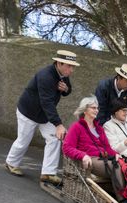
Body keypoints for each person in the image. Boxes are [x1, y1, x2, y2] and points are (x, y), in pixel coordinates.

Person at [5, 49, 79, 185]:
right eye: (69, 66)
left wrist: (66, 90)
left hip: (44, 115)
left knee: (55, 138)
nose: (71, 70)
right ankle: (11, 163)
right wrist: (59, 124)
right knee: (23, 140)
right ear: (59, 63)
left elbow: (67, 89)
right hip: (28, 112)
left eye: (73, 66)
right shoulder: (46, 76)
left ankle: (48, 173)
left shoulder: (63, 74)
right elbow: (47, 102)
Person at [62, 96, 126, 202]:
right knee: (116, 166)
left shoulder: (99, 128)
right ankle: (123, 200)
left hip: (104, 158)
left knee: (125, 165)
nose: (96, 110)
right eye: (93, 108)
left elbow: (107, 148)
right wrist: (83, 155)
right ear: (85, 110)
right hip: (90, 160)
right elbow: (67, 147)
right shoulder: (76, 127)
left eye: (97, 108)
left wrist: (116, 154)